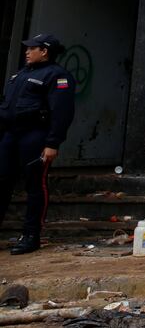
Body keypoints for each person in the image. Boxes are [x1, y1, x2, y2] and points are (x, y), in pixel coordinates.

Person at [0, 33, 76, 255]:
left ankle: (31, 235)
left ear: (44, 51)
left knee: (35, 185)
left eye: (31, 48)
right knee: (2, 180)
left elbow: (62, 112)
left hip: (35, 136)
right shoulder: (20, 75)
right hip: (10, 136)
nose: (26, 51)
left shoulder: (58, 76)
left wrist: (53, 143)